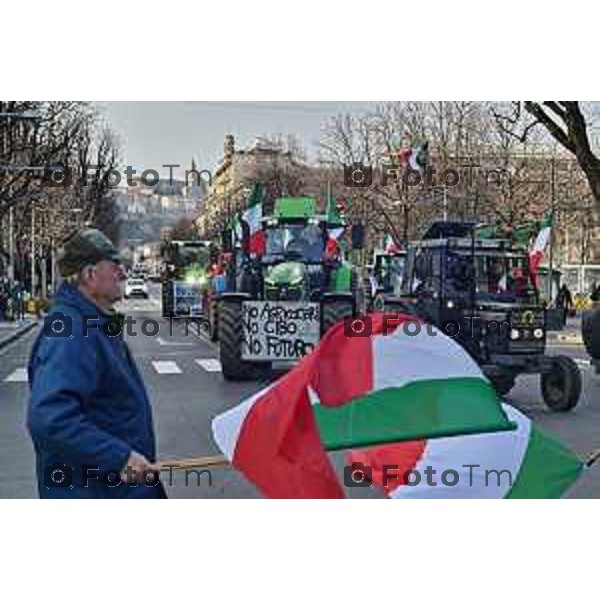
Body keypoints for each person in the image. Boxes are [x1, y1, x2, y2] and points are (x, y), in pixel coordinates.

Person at [27, 229, 166, 499]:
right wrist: (119, 457)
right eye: (114, 267)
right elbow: (50, 419)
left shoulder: (88, 323)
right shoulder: (71, 331)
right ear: (90, 275)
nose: (123, 275)